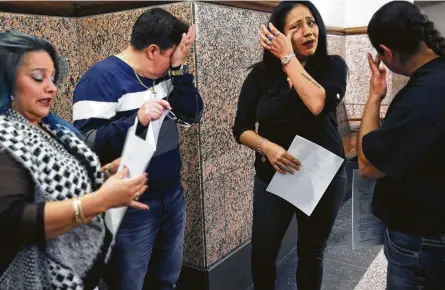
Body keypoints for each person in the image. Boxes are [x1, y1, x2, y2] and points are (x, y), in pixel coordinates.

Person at [0, 31, 150, 290]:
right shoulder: (5, 135)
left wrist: (104, 174)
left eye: (52, 77)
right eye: (38, 78)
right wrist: (101, 200)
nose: (52, 87)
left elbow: (55, 185)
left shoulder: (51, 126)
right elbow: (12, 220)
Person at [72, 7, 204, 290]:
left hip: (172, 195)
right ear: (153, 50)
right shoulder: (100, 79)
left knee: (166, 278)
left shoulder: (166, 74)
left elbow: (193, 114)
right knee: (127, 282)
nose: (175, 60)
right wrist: (136, 120)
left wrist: (179, 69)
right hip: (130, 206)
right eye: (172, 54)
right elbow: (84, 144)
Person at [232, 1, 348, 289]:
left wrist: (288, 59)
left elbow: (317, 103)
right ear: (279, 35)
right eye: (295, 27)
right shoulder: (259, 76)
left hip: (322, 174)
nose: (308, 31)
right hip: (274, 174)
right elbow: (241, 128)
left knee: (311, 254)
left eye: (311, 22)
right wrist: (267, 147)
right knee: (262, 255)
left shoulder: (333, 66)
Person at [357, 1, 445, 289]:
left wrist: (374, 95)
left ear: (386, 53)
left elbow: (369, 165)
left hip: (423, 239)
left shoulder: (420, 99)